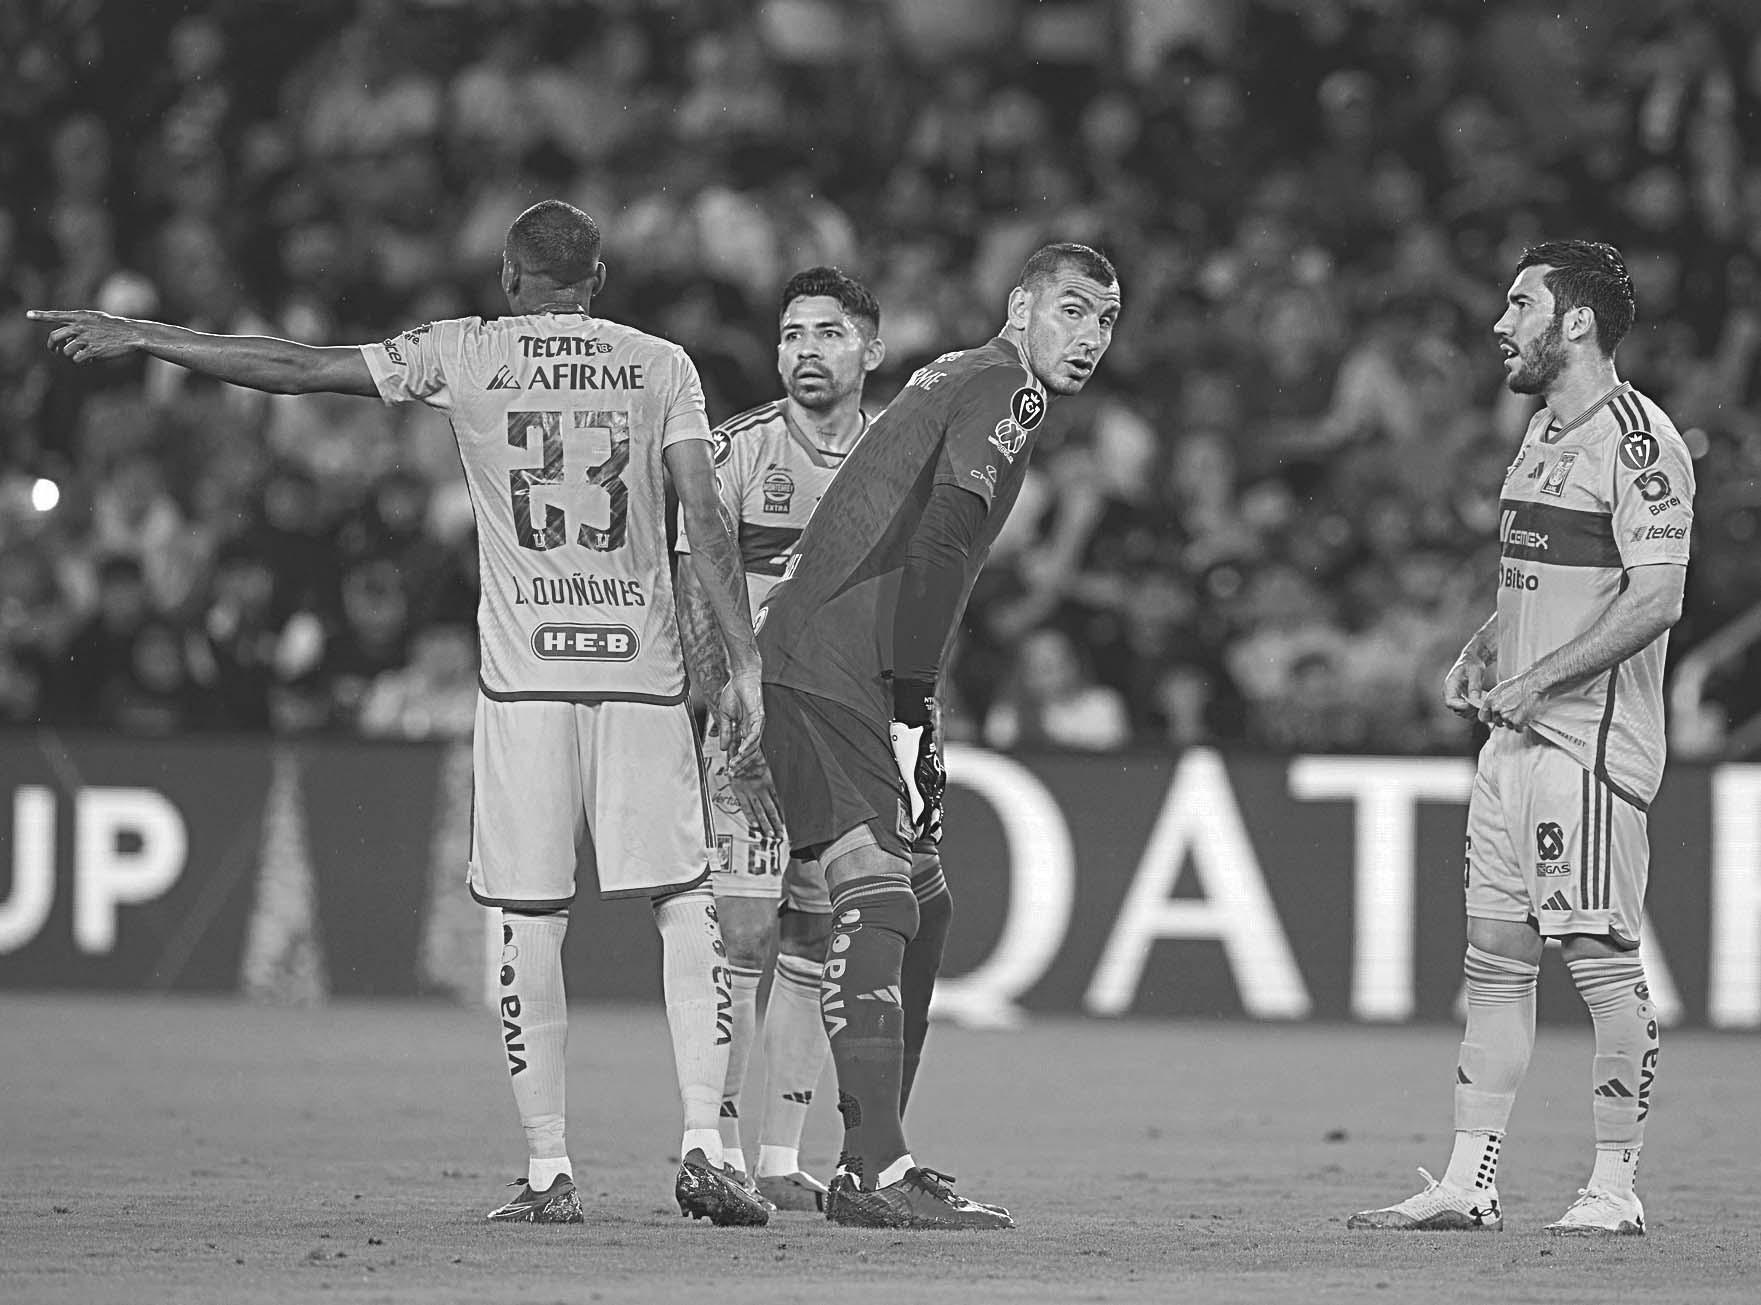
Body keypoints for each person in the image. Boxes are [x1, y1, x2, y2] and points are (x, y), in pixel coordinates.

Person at [30, 199, 772, 1229]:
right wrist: (741, 663)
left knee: (527, 915)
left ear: (509, 278)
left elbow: (295, 367)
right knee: (685, 899)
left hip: (526, 680)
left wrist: (147, 335)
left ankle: (549, 1170)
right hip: (639, 674)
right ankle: (704, 1143)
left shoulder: (464, 351)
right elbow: (705, 513)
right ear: (597, 282)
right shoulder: (661, 364)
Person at [755, 242, 1121, 1229]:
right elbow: (945, 537)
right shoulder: (1008, 388)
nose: (1090, 336)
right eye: (1073, 310)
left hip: (846, 658)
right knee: (877, 894)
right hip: (839, 666)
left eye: (1105, 320)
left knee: (925, 901)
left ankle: (873, 1154)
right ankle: (873, 1170)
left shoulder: (959, 373)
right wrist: (913, 700)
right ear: (1020, 306)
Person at [1349, 240, 1692, 1237]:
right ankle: (1469, 1183)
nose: (1500, 324)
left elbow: (1657, 597)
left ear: (1573, 321)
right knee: (1496, 959)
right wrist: (1489, 645)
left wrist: (1540, 679)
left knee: (1597, 955)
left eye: (1518, 305)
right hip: (1514, 737)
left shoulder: (1640, 443)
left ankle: (1615, 1188)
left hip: (1588, 741)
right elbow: (1540, 580)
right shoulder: (1542, 428)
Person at [676, 267, 886, 1212]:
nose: (806, 350)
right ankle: (712, 1145)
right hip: (751, 728)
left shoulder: (896, 456)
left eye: (828, 333)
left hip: (846, 729)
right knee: (745, 927)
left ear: (870, 349)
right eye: (793, 333)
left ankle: (777, 1154)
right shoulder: (736, 449)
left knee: (817, 928)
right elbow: (696, 583)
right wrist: (724, 704)